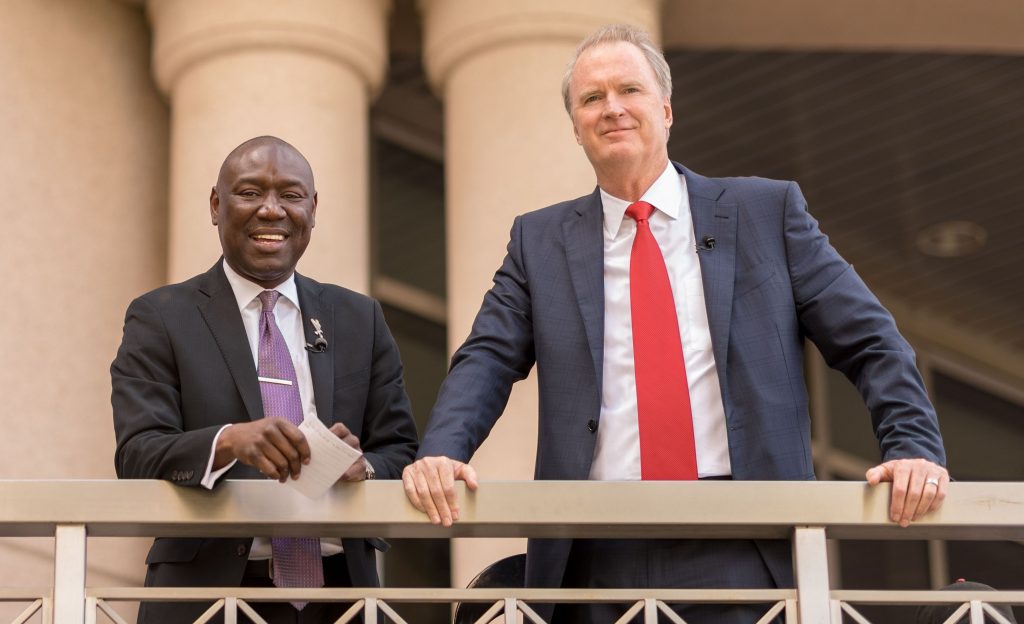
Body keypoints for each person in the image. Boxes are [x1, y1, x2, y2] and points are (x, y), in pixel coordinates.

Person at [402, 24, 949, 623]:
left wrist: (913, 448)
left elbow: (871, 341)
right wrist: (442, 453)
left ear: (665, 109)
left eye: (628, 90)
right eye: (591, 98)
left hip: (743, 543)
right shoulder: (539, 240)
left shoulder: (765, 212)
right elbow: (486, 358)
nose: (611, 108)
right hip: (594, 552)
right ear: (575, 126)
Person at [112, 136, 418, 623]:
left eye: (291, 196)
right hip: (208, 598)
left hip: (343, 595)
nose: (271, 211)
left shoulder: (360, 318)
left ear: (313, 210)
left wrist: (361, 467)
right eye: (250, 193)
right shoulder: (161, 316)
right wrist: (231, 441)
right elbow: (137, 454)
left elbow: (402, 452)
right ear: (216, 205)